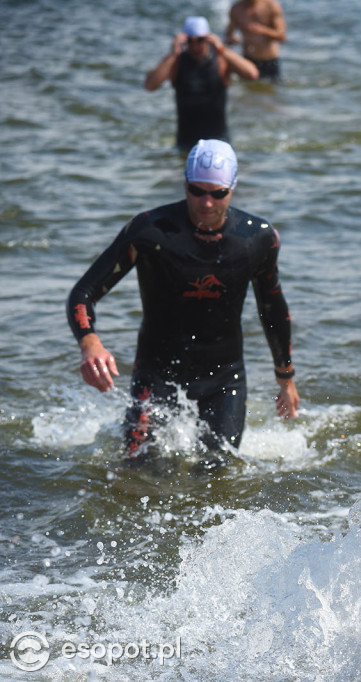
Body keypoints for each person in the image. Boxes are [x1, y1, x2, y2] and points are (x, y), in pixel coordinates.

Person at [67, 140, 299, 474]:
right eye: (196, 190)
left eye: (217, 193)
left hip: (224, 378)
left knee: (217, 474)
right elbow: (84, 291)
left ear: (233, 188)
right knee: (139, 472)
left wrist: (285, 378)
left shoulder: (257, 238)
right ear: (184, 183)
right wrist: (89, 343)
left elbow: (272, 307)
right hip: (157, 372)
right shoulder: (151, 231)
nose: (206, 203)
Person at [144, 16, 259, 151]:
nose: (195, 46)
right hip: (185, 142)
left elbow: (252, 74)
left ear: (209, 39)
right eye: (190, 41)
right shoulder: (176, 62)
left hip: (218, 140)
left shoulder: (221, 60)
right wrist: (173, 54)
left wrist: (222, 48)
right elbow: (149, 86)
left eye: (200, 40)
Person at [225, 0, 287, 82]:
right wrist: (233, 40)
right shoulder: (236, 8)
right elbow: (228, 36)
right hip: (248, 60)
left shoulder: (271, 6)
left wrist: (263, 30)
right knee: (247, 92)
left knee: (272, 91)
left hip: (269, 60)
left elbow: (282, 36)